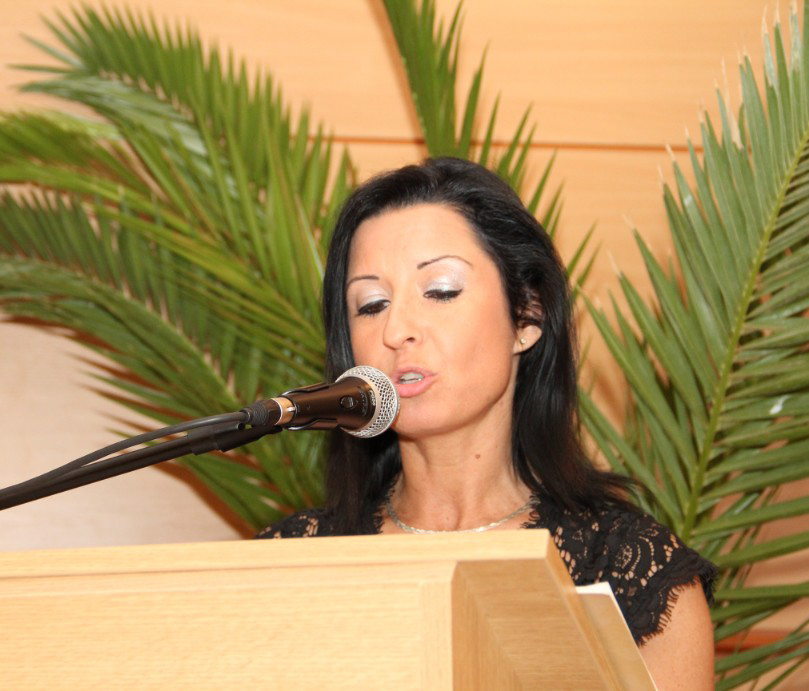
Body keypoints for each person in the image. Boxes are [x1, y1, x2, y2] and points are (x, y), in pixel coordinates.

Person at [256, 157, 717, 689]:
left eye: (440, 291)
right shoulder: (289, 560)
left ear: (527, 316)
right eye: (372, 304)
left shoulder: (630, 570)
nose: (397, 329)